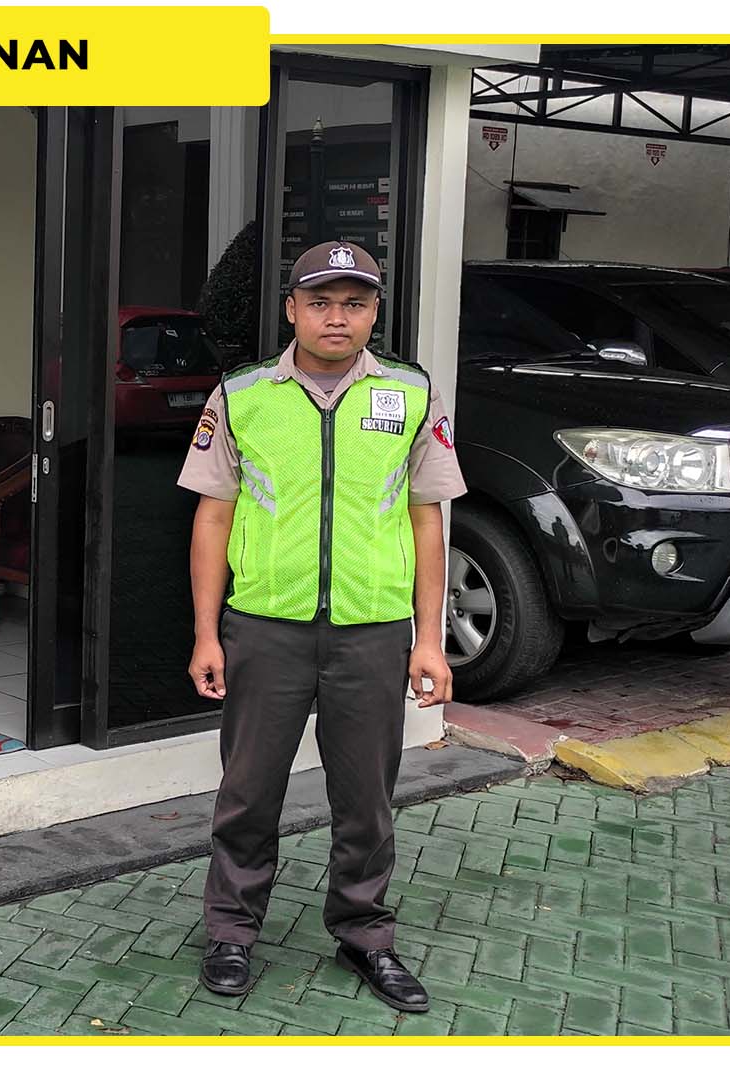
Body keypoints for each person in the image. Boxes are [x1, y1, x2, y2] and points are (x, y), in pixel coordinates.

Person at [175, 240, 464, 1013]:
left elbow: (427, 519)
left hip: (372, 632)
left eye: (355, 303)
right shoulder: (243, 395)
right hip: (265, 629)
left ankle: (365, 934)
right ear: (292, 310)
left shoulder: (410, 393)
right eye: (321, 302)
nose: (338, 317)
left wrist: (428, 638)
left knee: (367, 799)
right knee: (248, 793)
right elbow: (212, 517)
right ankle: (231, 931)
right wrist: (206, 633)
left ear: (374, 312)